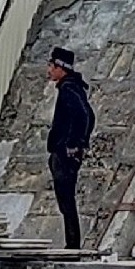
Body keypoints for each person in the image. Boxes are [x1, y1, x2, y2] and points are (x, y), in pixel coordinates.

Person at [44, 46, 95, 251]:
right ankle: (72, 243)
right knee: (66, 199)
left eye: (51, 66)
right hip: (64, 152)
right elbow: (89, 116)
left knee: (66, 199)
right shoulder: (73, 87)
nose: (49, 70)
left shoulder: (68, 89)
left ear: (60, 68)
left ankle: (72, 244)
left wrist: (73, 144)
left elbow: (84, 116)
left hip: (64, 154)